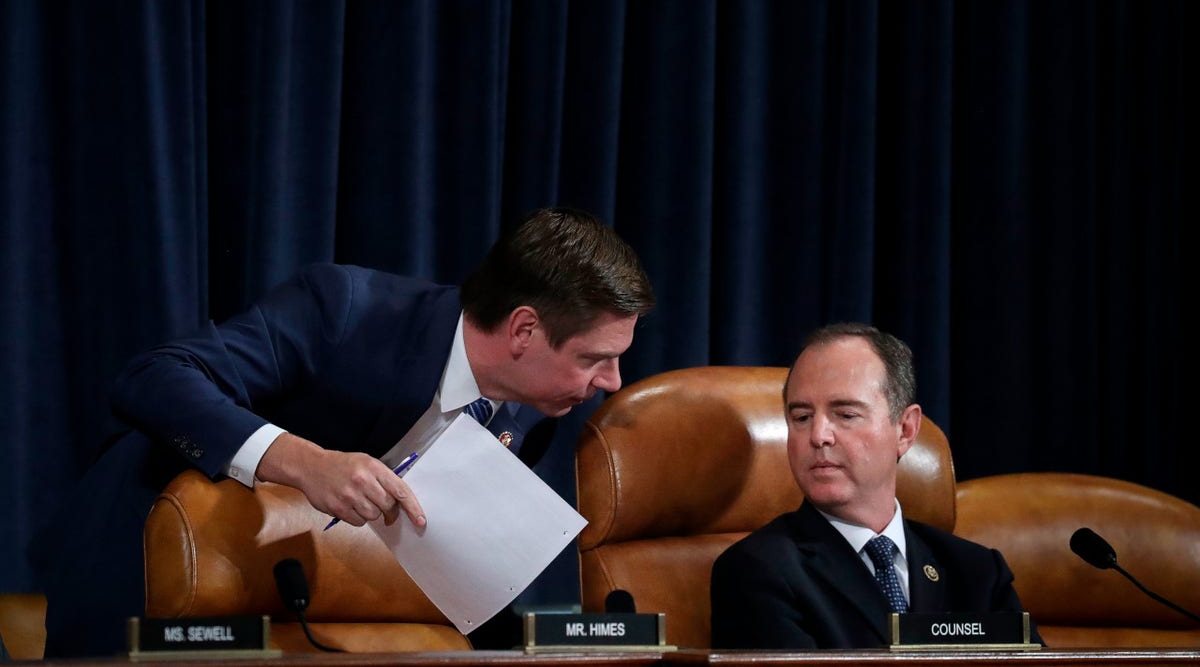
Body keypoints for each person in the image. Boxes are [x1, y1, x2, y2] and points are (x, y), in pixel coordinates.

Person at [29, 206, 655, 658]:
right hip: (140, 569)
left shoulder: (532, 411)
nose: (612, 382)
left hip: (304, 614)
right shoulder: (345, 310)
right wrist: (305, 462)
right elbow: (154, 376)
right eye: (593, 359)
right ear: (523, 331)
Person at [710, 322, 1042, 649]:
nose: (818, 436)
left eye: (845, 414)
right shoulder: (758, 570)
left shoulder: (978, 572)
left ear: (905, 430)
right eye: (801, 418)